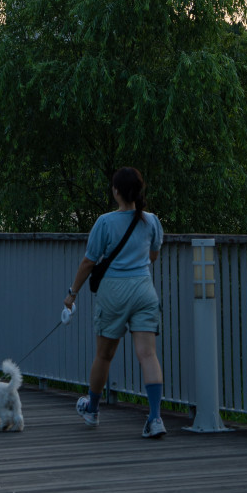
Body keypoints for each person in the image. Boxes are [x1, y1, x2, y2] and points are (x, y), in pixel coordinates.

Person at [64, 167, 166, 438]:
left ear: (116, 191)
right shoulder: (152, 221)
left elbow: (89, 262)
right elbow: (153, 254)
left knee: (104, 355)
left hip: (113, 294)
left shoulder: (105, 222)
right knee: (148, 355)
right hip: (144, 290)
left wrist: (72, 292)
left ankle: (92, 410)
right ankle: (155, 419)